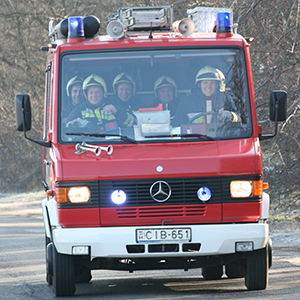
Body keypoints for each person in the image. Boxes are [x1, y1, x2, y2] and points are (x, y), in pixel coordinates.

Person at [173, 66, 241, 128]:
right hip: (195, 140)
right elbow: (177, 126)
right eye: (205, 83)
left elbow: (240, 120)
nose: (208, 86)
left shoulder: (226, 99)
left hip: (221, 138)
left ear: (217, 85)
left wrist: (231, 115)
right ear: (199, 85)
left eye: (212, 83)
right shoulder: (186, 102)